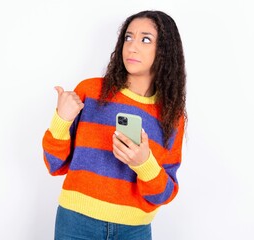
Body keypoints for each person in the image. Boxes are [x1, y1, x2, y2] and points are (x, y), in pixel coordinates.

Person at [42, 10, 187, 240]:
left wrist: (144, 164)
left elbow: (164, 194)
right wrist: (61, 119)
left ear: (164, 50)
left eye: (145, 39)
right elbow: (54, 164)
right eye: (128, 37)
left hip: (134, 230)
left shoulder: (172, 116)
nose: (132, 46)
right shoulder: (90, 91)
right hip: (76, 222)